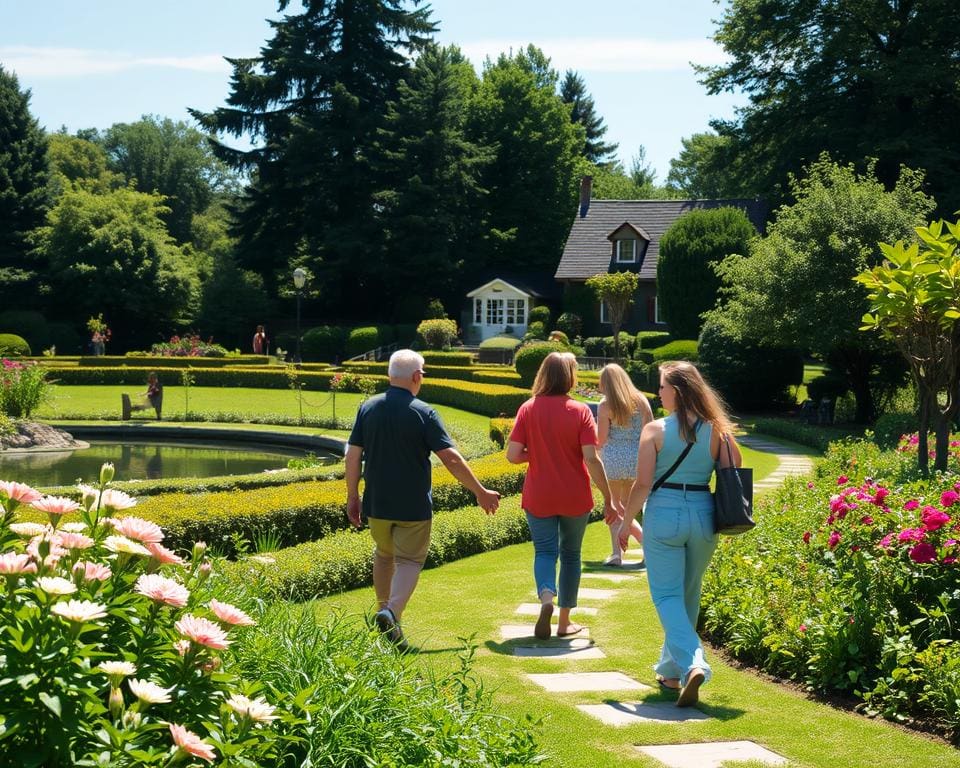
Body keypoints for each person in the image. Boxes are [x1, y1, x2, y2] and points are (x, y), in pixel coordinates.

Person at [345, 349, 501, 649]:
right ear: (417, 377)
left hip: (376, 502)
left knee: (384, 554)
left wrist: (353, 496)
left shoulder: (368, 408)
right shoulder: (423, 411)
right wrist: (480, 491)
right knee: (410, 560)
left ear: (390, 375)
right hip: (412, 505)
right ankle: (391, 612)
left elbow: (353, 456)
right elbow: (451, 459)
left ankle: (383, 612)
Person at [620, 361, 742, 707]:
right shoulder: (718, 429)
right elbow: (735, 466)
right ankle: (671, 672)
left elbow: (643, 484)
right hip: (704, 515)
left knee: (667, 596)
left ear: (678, 391)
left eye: (662, 386)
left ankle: (694, 663)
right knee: (688, 593)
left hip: (665, 514)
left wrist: (626, 521)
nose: (659, 393)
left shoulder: (655, 430)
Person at [507, 352, 618, 640]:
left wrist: (539, 454)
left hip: (539, 494)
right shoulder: (579, 411)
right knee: (571, 555)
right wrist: (609, 497)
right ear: (570, 376)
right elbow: (591, 459)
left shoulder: (528, 409)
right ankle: (565, 622)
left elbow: (512, 455)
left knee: (545, 551)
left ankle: (546, 599)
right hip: (574, 495)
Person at [597, 363, 653, 565]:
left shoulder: (605, 405)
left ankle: (617, 554)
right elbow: (650, 430)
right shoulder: (641, 401)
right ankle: (647, 547)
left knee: (614, 507)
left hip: (612, 459)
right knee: (629, 508)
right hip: (637, 459)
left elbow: (601, 438)